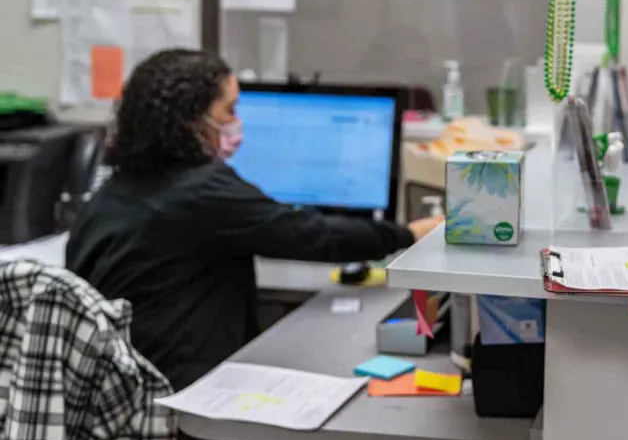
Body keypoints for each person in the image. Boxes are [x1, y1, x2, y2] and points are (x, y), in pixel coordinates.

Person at [66, 49, 441, 392]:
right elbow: (311, 236)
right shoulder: (201, 190)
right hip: (177, 392)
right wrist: (407, 233)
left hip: (118, 392)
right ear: (190, 121)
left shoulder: (114, 189)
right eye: (229, 110)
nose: (236, 125)